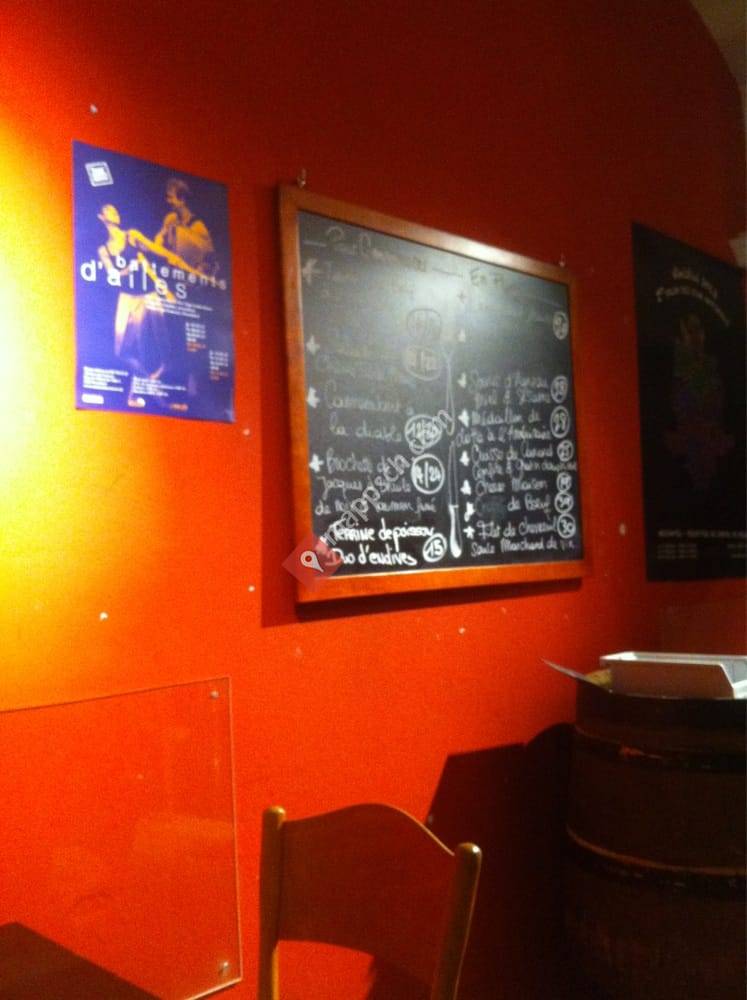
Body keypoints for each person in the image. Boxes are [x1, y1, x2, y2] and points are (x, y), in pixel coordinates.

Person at [96, 203, 171, 385]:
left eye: (116, 210)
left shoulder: (132, 235)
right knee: (120, 350)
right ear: (102, 217)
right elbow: (113, 275)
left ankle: (161, 373)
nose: (115, 213)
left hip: (148, 293)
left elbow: (154, 250)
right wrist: (129, 269)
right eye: (109, 211)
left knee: (159, 338)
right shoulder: (103, 250)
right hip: (127, 297)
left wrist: (173, 258)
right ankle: (145, 379)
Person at [154, 177, 215, 274]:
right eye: (167, 197)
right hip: (171, 272)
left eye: (170, 197)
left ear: (182, 200)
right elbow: (160, 238)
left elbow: (210, 258)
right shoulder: (170, 219)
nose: (167, 201)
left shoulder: (198, 226)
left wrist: (198, 271)